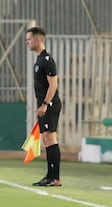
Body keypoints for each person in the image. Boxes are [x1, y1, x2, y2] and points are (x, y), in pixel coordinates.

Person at [26, 27, 62, 187]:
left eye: (30, 39)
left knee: (50, 138)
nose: (27, 42)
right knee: (47, 139)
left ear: (39, 39)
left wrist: (45, 104)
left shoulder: (46, 60)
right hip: (44, 105)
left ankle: (55, 177)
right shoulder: (39, 60)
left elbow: (53, 84)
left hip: (50, 105)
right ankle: (50, 175)